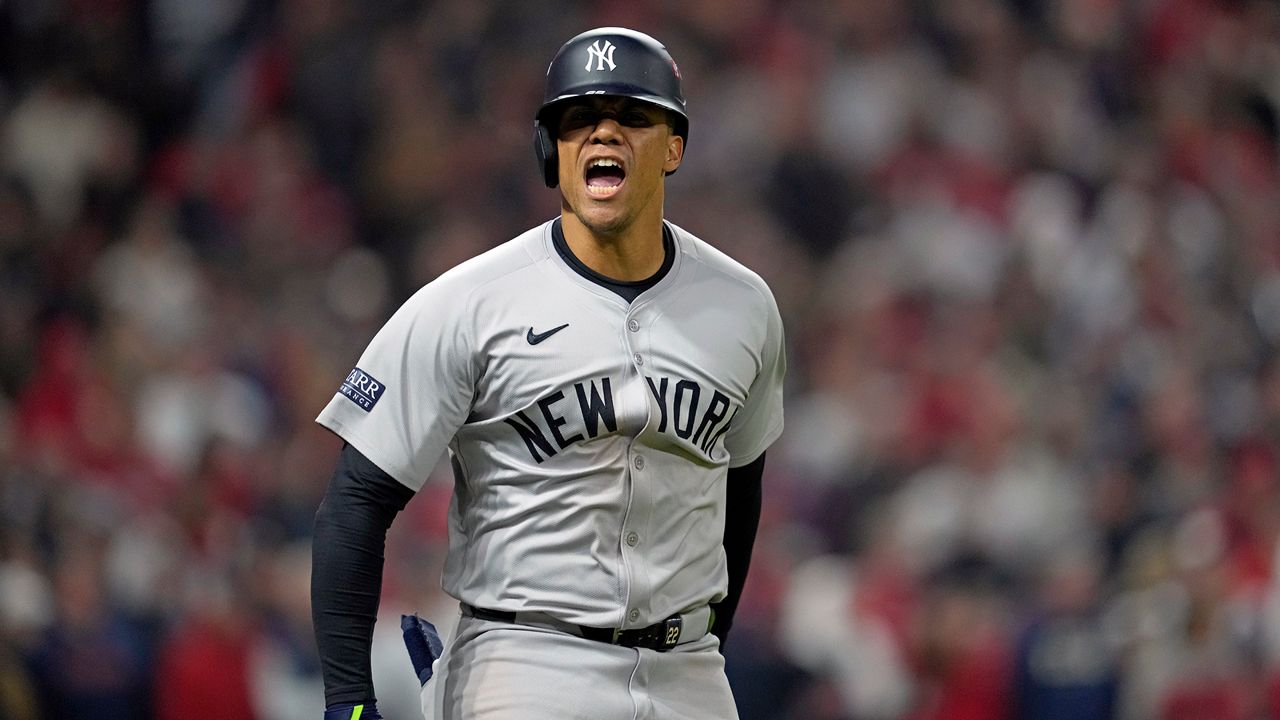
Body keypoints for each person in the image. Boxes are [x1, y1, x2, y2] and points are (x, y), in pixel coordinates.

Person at [311, 26, 786, 720]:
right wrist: (349, 704)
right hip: (525, 666)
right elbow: (355, 503)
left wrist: (707, 638)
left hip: (690, 675)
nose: (603, 134)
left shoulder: (744, 305)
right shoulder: (468, 302)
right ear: (549, 151)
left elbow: (740, 490)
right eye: (578, 119)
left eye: (631, 116)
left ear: (675, 146)